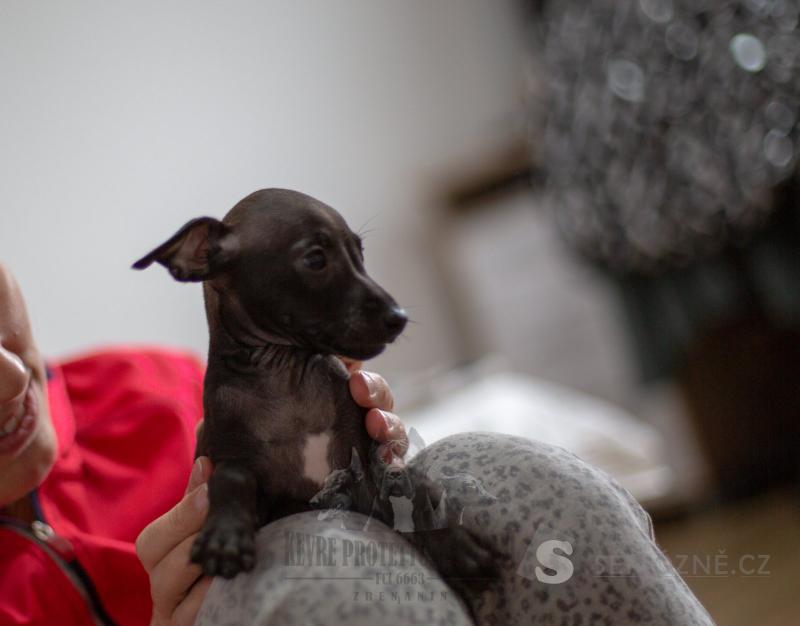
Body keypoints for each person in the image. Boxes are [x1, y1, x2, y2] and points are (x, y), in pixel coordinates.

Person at [0, 263, 716, 625]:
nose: (10, 379)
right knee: (319, 586)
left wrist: (375, 469)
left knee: (496, 480)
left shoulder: (150, 388)